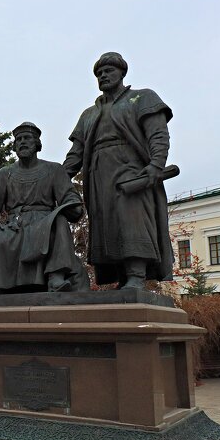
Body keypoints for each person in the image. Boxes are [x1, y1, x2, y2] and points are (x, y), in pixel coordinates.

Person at [64, 52, 174, 289]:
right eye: (99, 73)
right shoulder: (89, 114)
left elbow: (158, 134)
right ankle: (123, 277)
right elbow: (76, 152)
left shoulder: (141, 98)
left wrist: (156, 165)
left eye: (108, 71)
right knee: (106, 223)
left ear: (122, 72)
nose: (103, 75)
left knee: (131, 219)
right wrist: (59, 178)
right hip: (98, 176)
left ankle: (136, 274)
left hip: (132, 171)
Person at [0, 122, 87, 294]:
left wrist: (73, 207)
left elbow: (69, 196)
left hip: (45, 222)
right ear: (14, 146)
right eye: (18, 139)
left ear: (37, 144)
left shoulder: (53, 170)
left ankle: (56, 277)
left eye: (27, 138)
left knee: (59, 221)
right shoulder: (4, 174)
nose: (22, 142)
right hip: (15, 225)